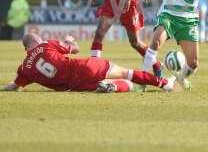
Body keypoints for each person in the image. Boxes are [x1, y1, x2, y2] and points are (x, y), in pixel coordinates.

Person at [2, 33, 175, 93]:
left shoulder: (24, 68)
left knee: (128, 85)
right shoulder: (46, 45)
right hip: (83, 68)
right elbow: (75, 49)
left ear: (26, 49)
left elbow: (13, 86)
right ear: (37, 41)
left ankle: (112, 87)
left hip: (74, 86)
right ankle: (164, 83)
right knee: (127, 73)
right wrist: (68, 42)